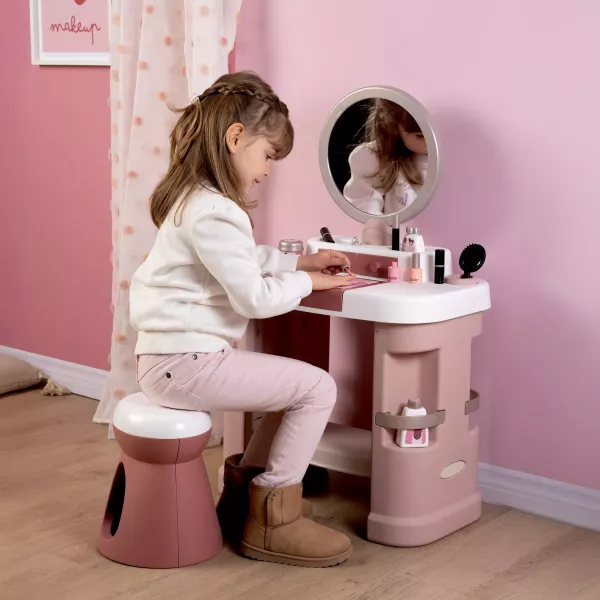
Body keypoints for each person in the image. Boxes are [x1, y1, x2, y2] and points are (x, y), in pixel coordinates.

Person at [130, 71, 354, 568]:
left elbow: (240, 259)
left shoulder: (195, 200)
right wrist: (308, 282)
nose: (268, 171)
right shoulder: (215, 210)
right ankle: (275, 521)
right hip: (184, 363)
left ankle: (240, 506)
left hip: (170, 359)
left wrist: (299, 262)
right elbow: (253, 297)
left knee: (289, 390)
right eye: (268, 155)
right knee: (318, 388)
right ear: (236, 138)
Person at [343, 98, 428, 232]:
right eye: (420, 136)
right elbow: (365, 209)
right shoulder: (376, 159)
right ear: (393, 125)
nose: (431, 143)